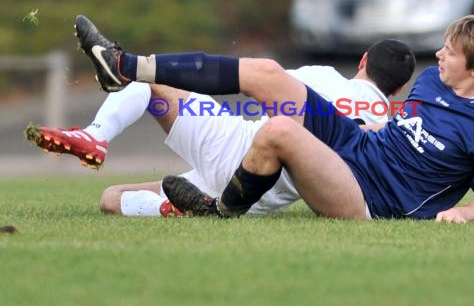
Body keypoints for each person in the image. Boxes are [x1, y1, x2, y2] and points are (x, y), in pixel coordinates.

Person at [73, 13, 474, 223]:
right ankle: (127, 65)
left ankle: (220, 211)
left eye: (450, 52)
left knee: (279, 130)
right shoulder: (432, 81)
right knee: (267, 72)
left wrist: (463, 216)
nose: (438, 54)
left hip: (367, 199)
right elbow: (405, 128)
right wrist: (370, 125)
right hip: (355, 146)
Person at [27, 38, 415, 217]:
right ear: (398, 88)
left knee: (148, 86)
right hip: (254, 195)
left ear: (362, 60)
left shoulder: (321, 75)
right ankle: (173, 208)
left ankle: (95, 134)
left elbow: (258, 85)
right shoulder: (389, 124)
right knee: (111, 199)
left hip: (232, 142)